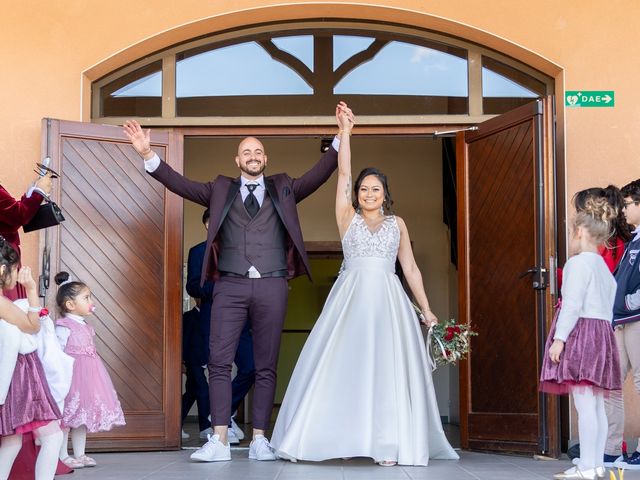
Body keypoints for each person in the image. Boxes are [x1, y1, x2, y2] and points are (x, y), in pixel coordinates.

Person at [123, 102, 345, 463]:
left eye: (258, 152)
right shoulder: (220, 189)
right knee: (219, 361)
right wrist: (148, 154)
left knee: (266, 363)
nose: (253, 156)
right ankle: (220, 439)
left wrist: (340, 137)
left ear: (265, 158)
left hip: (273, 284)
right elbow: (181, 184)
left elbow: (318, 174)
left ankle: (259, 439)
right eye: (247, 152)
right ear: (236, 159)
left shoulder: (285, 187)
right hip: (229, 286)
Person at [270, 107, 459, 466]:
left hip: (390, 303)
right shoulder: (346, 218)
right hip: (351, 300)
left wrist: (427, 308)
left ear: (385, 195)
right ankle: (326, 438)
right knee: (343, 366)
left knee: (387, 369)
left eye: (376, 189)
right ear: (356, 194)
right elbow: (343, 171)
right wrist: (346, 132)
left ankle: (388, 444)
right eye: (364, 189)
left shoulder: (397, 224)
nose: (369, 193)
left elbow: (412, 269)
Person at [539, 197, 621, 480]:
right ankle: (595, 463)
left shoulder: (577, 265)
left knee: (584, 404)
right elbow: (610, 304)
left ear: (580, 232)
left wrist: (559, 339)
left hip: (582, 335)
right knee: (595, 404)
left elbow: (572, 305)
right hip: (602, 335)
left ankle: (587, 466)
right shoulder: (603, 268)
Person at [182, 208, 253, 444]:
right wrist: (222, 288)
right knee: (216, 371)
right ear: (206, 225)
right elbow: (192, 287)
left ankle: (222, 412)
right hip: (213, 319)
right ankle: (223, 421)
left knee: (251, 367)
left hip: (243, 319)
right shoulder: (198, 252)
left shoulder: (243, 251)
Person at [0, 237, 63, 480]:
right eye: (14, 270)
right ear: (3, 269)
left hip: (12, 377)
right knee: (52, 436)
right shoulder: (2, 304)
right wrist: (32, 290)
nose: (16, 276)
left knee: (11, 443)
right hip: (21, 379)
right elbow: (32, 325)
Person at [54, 272, 125, 468]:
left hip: (88, 378)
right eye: (86, 298)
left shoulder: (85, 326)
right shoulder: (64, 326)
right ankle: (62, 455)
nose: (91, 301)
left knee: (81, 416)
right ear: (70, 304)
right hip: (69, 378)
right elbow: (57, 353)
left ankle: (80, 453)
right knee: (66, 417)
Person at [604, 179, 640, 470]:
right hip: (623, 322)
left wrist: (629, 303)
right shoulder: (635, 241)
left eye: (628, 204)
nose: (624, 210)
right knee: (611, 383)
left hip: (637, 318)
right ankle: (611, 448)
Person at [0, 173, 52, 301]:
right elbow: (18, 215)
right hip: (3, 256)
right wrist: (39, 192)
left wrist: (32, 192)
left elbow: (8, 220)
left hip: (6, 252)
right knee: (9, 309)